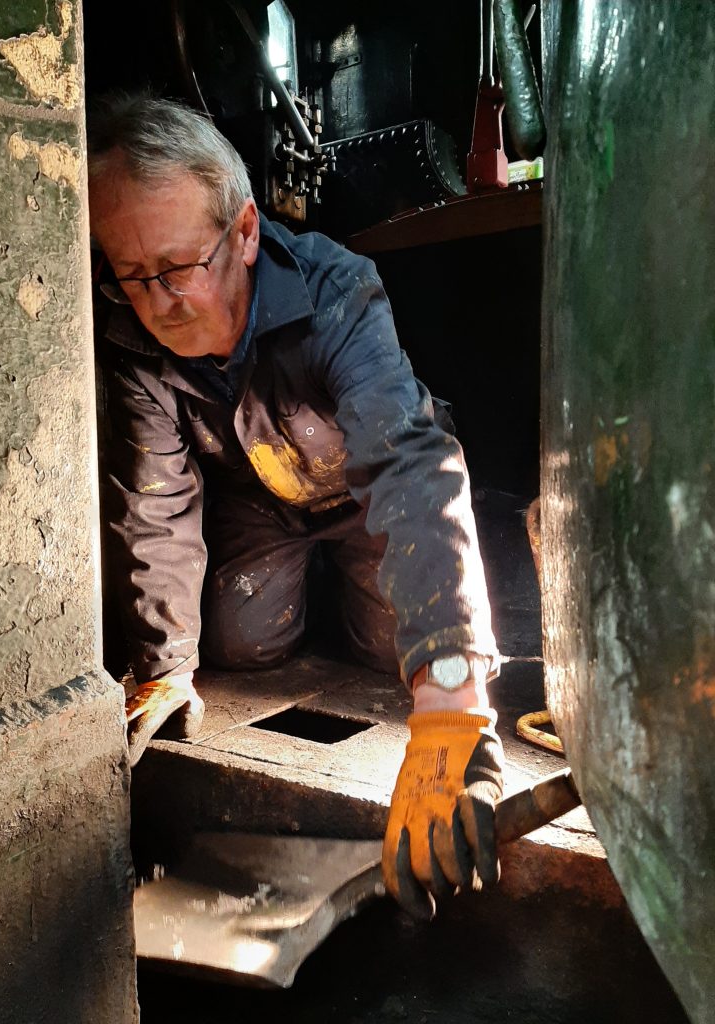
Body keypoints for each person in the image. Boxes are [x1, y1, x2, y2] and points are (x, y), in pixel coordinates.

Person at [88, 93, 504, 918]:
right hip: (262, 501)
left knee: (393, 642)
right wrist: (163, 669)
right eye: (130, 275)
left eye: (177, 268)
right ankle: (303, 595)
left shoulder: (337, 289)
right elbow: (155, 499)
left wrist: (451, 693)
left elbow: (408, 465)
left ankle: (396, 591)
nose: (157, 299)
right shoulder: (134, 336)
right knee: (241, 644)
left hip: (360, 492)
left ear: (244, 234)